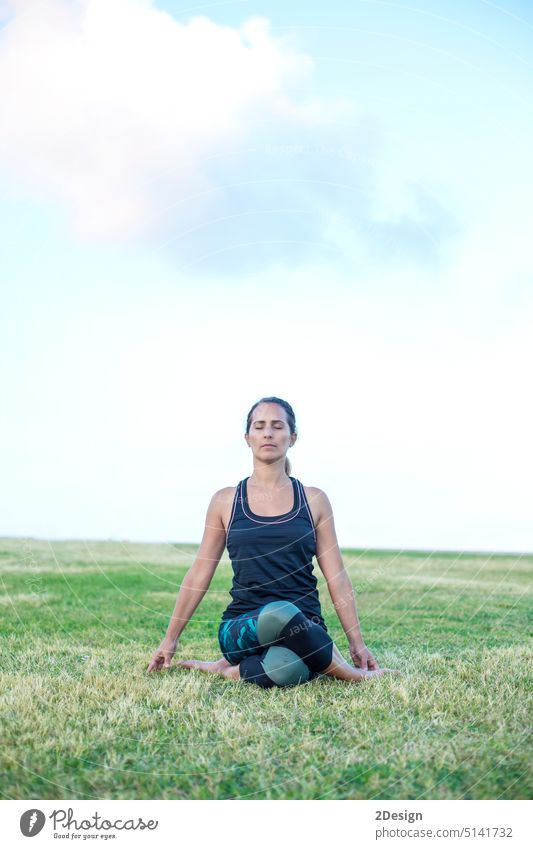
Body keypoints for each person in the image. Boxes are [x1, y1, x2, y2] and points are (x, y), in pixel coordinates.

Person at [147, 396, 398, 687]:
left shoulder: (314, 500)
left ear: (292, 437)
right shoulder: (225, 501)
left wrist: (357, 643)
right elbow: (199, 574)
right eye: (260, 426)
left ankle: (223, 670)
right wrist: (170, 639)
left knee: (290, 671)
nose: (268, 433)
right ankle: (356, 677)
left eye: (277, 426)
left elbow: (337, 576)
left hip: (304, 626)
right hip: (242, 628)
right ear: (247, 437)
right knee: (281, 612)